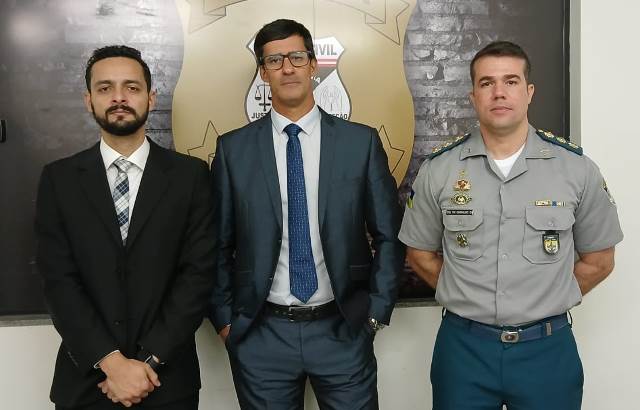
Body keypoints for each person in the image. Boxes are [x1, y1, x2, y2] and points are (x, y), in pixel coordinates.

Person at [399, 41, 623, 410]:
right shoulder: (439, 170)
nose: (499, 92)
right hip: (464, 351)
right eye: (487, 83)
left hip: (547, 351)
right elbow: (419, 255)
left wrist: (548, 297)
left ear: (529, 92)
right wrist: (465, 294)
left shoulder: (576, 169)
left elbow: (600, 260)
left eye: (511, 81)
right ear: (473, 96)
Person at [209, 18, 404, 410]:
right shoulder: (233, 150)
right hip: (262, 335)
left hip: (343, 329)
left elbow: (389, 234)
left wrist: (375, 313)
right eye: (275, 60)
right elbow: (216, 243)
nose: (287, 68)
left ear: (313, 65)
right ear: (263, 73)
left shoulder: (360, 143)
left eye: (297, 57)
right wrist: (227, 321)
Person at [35, 45, 214, 409]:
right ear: (89, 100)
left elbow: (198, 275)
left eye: (131, 87)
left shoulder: (190, 177)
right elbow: (58, 280)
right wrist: (112, 363)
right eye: (105, 88)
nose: (119, 98)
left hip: (167, 381)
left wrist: (148, 362)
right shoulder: (59, 180)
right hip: (87, 383)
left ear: (151, 97)